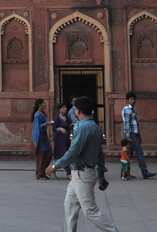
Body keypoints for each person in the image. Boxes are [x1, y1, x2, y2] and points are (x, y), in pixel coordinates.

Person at [46, 96, 121, 232]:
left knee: (90, 211)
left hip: (82, 174)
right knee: (69, 207)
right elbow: (100, 154)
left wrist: (54, 166)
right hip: (80, 174)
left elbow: (73, 152)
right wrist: (101, 175)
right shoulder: (95, 127)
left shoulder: (84, 128)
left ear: (78, 110)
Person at [122, 91, 156, 179]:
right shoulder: (127, 110)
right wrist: (128, 136)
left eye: (134, 99)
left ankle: (124, 173)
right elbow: (126, 124)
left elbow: (135, 123)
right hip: (131, 134)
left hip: (134, 134)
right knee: (139, 152)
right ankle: (144, 172)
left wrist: (139, 135)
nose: (133, 101)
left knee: (128, 154)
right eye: (131, 99)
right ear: (127, 100)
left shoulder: (133, 109)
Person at [31, 99, 53, 180]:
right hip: (40, 138)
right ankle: (40, 174)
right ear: (40, 105)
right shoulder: (37, 115)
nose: (45, 104)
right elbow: (37, 128)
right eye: (43, 103)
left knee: (48, 154)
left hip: (44, 137)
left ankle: (42, 172)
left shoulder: (42, 114)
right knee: (41, 156)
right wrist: (46, 124)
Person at [52, 103, 72, 178]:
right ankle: (68, 173)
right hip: (60, 139)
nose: (65, 108)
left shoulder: (66, 118)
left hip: (66, 139)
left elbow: (68, 125)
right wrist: (60, 129)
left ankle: (53, 169)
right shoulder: (57, 118)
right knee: (64, 154)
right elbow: (53, 128)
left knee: (65, 154)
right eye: (63, 107)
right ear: (59, 109)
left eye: (65, 107)